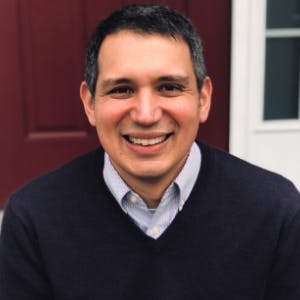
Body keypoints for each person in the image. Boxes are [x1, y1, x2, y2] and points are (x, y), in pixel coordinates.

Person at [1, 3, 300, 299]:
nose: (146, 115)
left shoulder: (277, 212)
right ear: (90, 104)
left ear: (203, 99)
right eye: (122, 89)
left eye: (169, 87)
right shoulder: (33, 218)